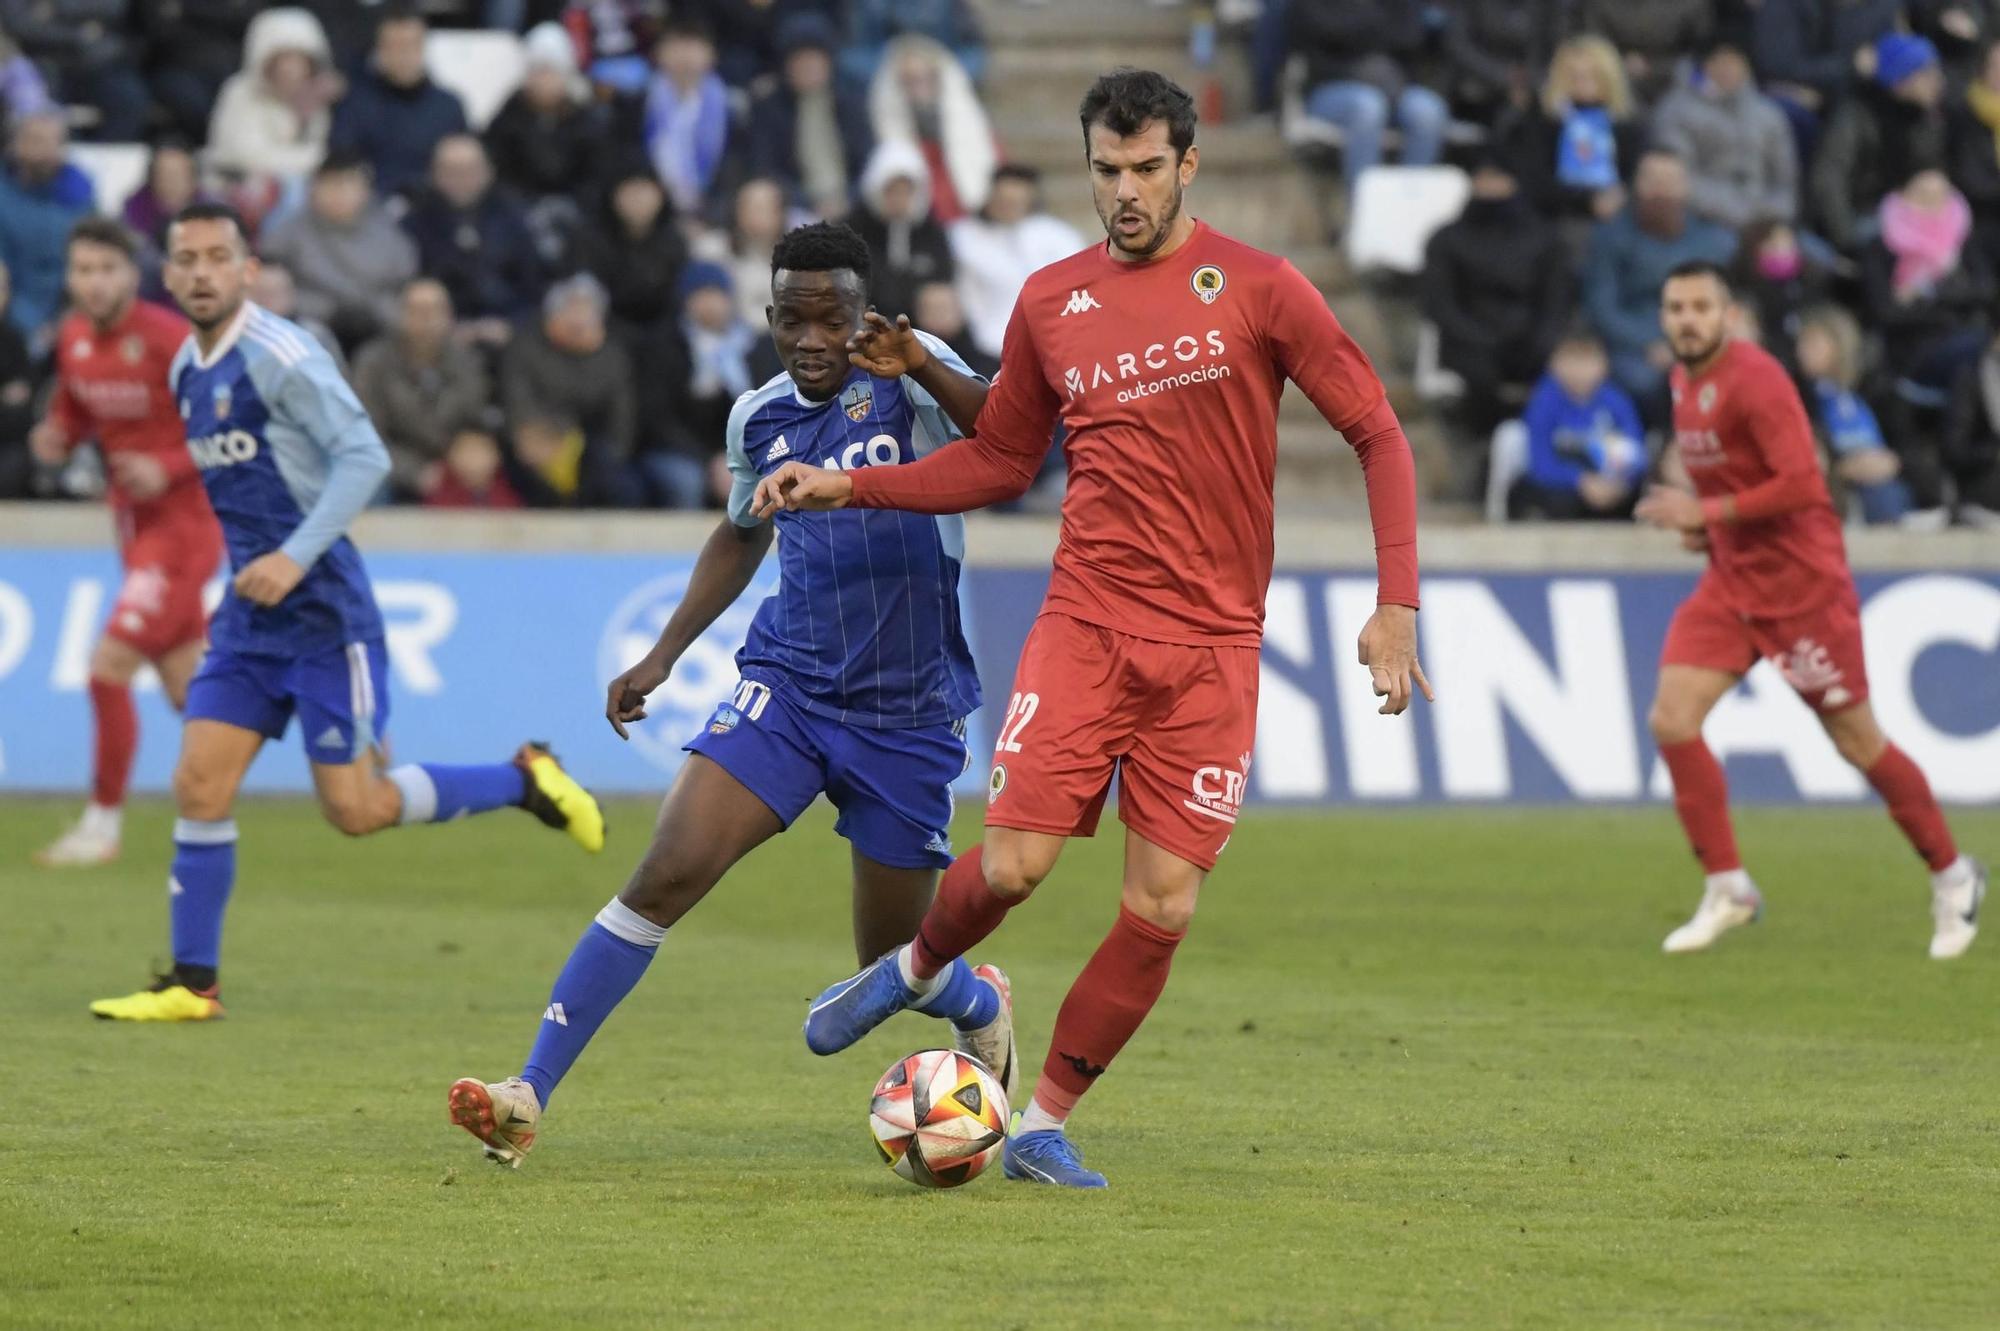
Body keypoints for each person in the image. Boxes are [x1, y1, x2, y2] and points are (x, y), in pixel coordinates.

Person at [762, 71, 1426, 1188]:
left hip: (1212, 647)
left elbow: (1377, 431)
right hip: (1088, 622)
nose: (1123, 192)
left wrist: (1395, 600)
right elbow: (1002, 459)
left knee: (1161, 906)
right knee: (1015, 864)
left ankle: (1041, 1119)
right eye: (1106, 171)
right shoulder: (1050, 299)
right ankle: (919, 965)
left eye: (1144, 169)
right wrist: (845, 485)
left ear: (1187, 166)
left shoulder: (1259, 288)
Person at [445, 221, 1017, 1168]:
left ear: (862, 313)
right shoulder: (758, 414)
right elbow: (741, 531)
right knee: (666, 871)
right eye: (792, 319)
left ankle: (979, 1002)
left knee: (891, 968)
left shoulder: (915, 374)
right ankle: (525, 1094)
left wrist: (919, 358)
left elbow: (1008, 435)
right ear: (770, 317)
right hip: (788, 688)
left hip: (908, 713)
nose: (811, 338)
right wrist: (665, 653)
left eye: (831, 319)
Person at [88, 203, 606, 1023]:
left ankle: (524, 779)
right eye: (185, 259)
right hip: (253, 620)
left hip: (325, 612)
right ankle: (192, 982)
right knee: (198, 783)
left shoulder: (282, 355)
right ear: (170, 271)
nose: (199, 273)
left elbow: (363, 457)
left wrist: (293, 555)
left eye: (217, 257)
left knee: (355, 810)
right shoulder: (189, 367)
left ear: (246, 268)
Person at [1635, 259, 1984, 960]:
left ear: (1728, 314)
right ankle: (1729, 885)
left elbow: (1802, 481)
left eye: (1702, 306)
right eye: (1676, 307)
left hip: (1801, 590)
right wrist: (1711, 528)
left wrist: (1706, 508)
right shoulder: (1683, 380)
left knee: (1857, 742)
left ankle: (1952, 872)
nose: (1688, 319)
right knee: (1672, 719)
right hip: (1732, 581)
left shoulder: (1757, 380)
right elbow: (1742, 479)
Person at [27, 221, 221, 867]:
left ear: (132, 275)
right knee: (193, 692)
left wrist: (167, 465)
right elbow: (79, 411)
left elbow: (229, 426)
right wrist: (57, 433)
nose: (93, 282)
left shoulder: (169, 341)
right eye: (82, 269)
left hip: (186, 528)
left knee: (107, 668)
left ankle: (101, 826)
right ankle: (322, 689)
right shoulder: (74, 340)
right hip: (134, 532)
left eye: (106, 268)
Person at [1419, 155, 1572, 437]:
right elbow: (1438, 303)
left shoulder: (1546, 239)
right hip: (1468, 340)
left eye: (1499, 179)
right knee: (1480, 377)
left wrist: (1538, 340)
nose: (1491, 188)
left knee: (1562, 372)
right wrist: (1477, 337)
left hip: (1528, 338)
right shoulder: (1447, 239)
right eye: (1484, 179)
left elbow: (1555, 301)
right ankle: (1482, 445)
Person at [1582, 151, 1736, 413]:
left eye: (1670, 181)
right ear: (1636, 184)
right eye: (1652, 180)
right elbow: (1602, 307)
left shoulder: (1715, 241)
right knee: (1641, 380)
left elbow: (1724, 304)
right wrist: (1652, 342)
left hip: (1696, 338)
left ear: (1686, 186)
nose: (1661, 190)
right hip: (1633, 344)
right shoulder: (1611, 237)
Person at [634, 261, 765, 508]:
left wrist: (735, 458)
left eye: (718, 294)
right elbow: (657, 419)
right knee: (686, 481)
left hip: (736, 452)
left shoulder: (749, 347)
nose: (712, 304)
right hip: (676, 451)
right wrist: (709, 461)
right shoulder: (665, 346)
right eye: (702, 295)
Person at [500, 273, 638, 507]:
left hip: (590, 448)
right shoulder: (524, 347)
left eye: (587, 313)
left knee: (618, 483)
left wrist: (613, 454)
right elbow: (518, 402)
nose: (579, 321)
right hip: (538, 440)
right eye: (572, 311)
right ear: (552, 316)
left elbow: (621, 417)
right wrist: (540, 438)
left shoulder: (611, 357)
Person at [258, 151, 418, 349]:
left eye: (348, 184)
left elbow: (404, 287)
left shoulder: (389, 235)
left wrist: (377, 312)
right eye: (330, 184)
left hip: (380, 329)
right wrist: (326, 311)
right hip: (309, 330)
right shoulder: (287, 234)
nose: (339, 193)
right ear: (313, 188)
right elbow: (271, 288)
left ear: (365, 190)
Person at [351, 278, 492, 499]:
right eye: (417, 310)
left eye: (436, 310)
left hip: (452, 461)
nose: (427, 319)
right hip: (391, 464)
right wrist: (413, 471)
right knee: (367, 483)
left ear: (450, 316)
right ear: (400, 314)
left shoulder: (466, 361)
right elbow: (365, 435)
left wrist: (474, 449)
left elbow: (475, 418)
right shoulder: (373, 362)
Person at [1288, 0, 1449, 191]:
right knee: (1368, 106)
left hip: (1391, 87)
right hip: (1329, 88)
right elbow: (1328, 31)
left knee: (1428, 110)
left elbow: (1411, 36)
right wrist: (1376, 27)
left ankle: (1410, 204)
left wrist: (1371, 29)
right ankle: (1363, 207)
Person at [1811, 33, 1950, 255]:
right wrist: (1847, 238)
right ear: (1901, 80)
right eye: (1928, 75)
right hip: (1863, 218)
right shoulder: (1856, 115)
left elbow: (1929, 170)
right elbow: (1829, 178)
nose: (1938, 82)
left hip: (1909, 215)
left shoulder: (1926, 119)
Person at [401, 134, 545, 343]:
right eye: (450, 171)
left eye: (469, 170)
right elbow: (409, 288)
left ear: (488, 171)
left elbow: (534, 285)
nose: (460, 179)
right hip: (438, 334)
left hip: (507, 329)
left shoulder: (515, 218)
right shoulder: (413, 223)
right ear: (433, 173)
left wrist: (512, 324)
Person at [1495, 33, 1642, 229]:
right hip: (1554, 216)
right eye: (1574, 76)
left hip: (1618, 216)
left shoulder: (1628, 120)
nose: (1583, 83)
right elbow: (1534, 177)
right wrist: (1586, 201)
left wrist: (1619, 197)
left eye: (1592, 75)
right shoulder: (1544, 117)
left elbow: (1637, 174)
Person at [1651, 38, 1798, 230]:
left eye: (1735, 62)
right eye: (1720, 61)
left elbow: (1785, 181)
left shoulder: (1769, 114)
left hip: (1766, 222)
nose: (1728, 69)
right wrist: (1738, 214)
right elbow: (1679, 177)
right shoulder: (1675, 110)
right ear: (1705, 65)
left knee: (1815, 257)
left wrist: (1772, 216)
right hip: (1702, 220)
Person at [328, 6, 469, 201]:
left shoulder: (449, 106)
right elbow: (343, 162)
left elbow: (464, 166)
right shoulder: (354, 104)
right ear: (379, 49)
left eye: (411, 45)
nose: (403, 55)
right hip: (371, 210)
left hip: (436, 211)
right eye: (394, 46)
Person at [950, 164, 1085, 363]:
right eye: (1002, 201)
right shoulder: (962, 237)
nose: (1007, 208)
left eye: (1016, 202)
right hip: (987, 347)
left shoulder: (1058, 235)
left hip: (1051, 344)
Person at [1793, 303, 1912, 525]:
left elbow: (1904, 438)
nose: (1802, 351)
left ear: (1839, 346)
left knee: (1892, 494)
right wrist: (1841, 468)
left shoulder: (1872, 389)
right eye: (1801, 343)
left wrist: (1895, 460)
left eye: (1813, 343)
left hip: (1882, 477)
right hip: (1835, 482)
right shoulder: (1798, 393)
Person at [1507, 330, 1646, 520]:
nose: (1578, 371)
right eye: (1571, 360)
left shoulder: (1616, 400)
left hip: (1610, 486)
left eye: (1586, 361)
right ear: (1554, 363)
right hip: (1564, 488)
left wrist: (1618, 484)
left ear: (1603, 364)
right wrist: (1580, 481)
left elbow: (1635, 454)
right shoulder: (1543, 400)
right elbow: (1539, 463)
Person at [745, 13, 873, 218]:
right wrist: (807, 201)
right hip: (795, 208)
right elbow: (766, 168)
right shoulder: (769, 108)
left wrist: (849, 198)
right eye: (799, 59)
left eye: (815, 58)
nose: (808, 66)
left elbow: (868, 161)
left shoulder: (850, 102)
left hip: (852, 203)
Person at [866, 34, 996, 223]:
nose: (918, 88)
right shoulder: (881, 136)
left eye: (925, 78)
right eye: (909, 80)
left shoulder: (973, 132)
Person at [204, 6, 341, 185]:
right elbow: (247, 156)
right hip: (235, 187)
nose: (289, 68)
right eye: (282, 58)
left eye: (297, 58)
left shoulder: (315, 99)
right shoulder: (240, 92)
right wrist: (315, 159)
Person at [484, 21, 607, 209]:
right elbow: (498, 170)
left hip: (575, 212)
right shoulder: (508, 117)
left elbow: (595, 176)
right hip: (520, 210)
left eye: (551, 72)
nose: (544, 80)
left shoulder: (586, 119)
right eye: (537, 71)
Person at [0, 111, 94, 344]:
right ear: (14, 144)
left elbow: (91, 258)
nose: (43, 151)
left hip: (73, 315)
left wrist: (69, 319)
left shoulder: (81, 191)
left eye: (52, 141)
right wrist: (29, 325)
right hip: (12, 321)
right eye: (34, 140)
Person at [0, 0, 152, 140]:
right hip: (42, 62)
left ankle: (98, 159)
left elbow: (115, 8)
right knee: (41, 109)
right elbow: (21, 25)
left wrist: (57, 10)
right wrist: (78, 34)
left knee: (129, 100)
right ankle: (57, 157)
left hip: (98, 62)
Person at [568, 164, 688, 334]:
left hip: (663, 334)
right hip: (603, 332)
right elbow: (583, 289)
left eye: (644, 190)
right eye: (631, 190)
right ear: (614, 194)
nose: (638, 199)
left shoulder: (674, 241)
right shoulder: (589, 238)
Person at [850, 140, 954, 327]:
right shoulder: (853, 229)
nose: (899, 200)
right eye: (892, 191)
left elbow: (942, 280)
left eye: (907, 192)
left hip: (922, 329)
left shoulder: (931, 232)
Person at [640, 20, 732, 220]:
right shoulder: (638, 103)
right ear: (659, 53)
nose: (685, 55)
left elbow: (734, 168)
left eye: (693, 46)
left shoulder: (730, 106)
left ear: (711, 54)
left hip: (714, 211)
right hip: (655, 211)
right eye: (676, 45)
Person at [122, 143, 212, 247]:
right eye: (163, 175)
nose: (171, 182)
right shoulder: (134, 210)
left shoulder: (211, 210)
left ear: (193, 180)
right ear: (152, 179)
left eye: (177, 175)